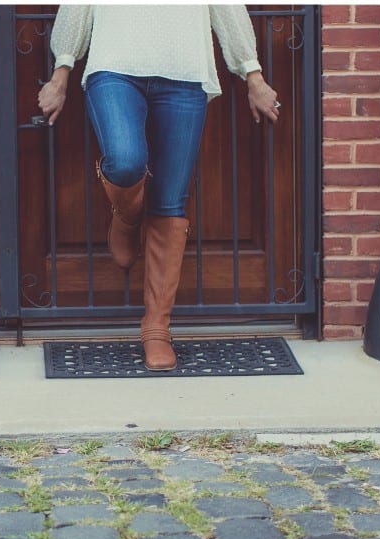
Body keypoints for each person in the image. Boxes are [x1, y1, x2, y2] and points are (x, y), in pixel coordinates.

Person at [38, 5, 279, 371]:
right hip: (114, 69)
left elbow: (228, 9)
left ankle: (156, 328)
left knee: (169, 200)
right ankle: (126, 216)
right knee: (125, 160)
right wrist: (61, 73)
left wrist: (253, 75)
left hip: (184, 75)